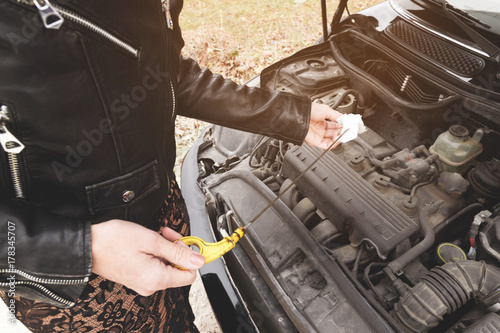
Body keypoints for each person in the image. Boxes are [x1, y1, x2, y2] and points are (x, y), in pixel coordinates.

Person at [0, 0, 344, 332]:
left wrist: (290, 117)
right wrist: (80, 249)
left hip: (162, 216)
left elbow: (160, 74)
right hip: (80, 287)